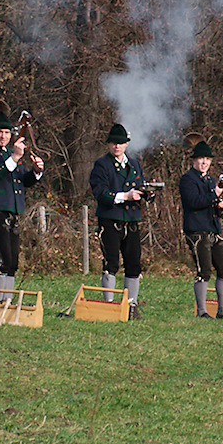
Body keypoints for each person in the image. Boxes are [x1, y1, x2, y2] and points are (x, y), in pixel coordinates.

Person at [0, 106, 44, 296]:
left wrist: (36, 172)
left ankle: (8, 302)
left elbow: (22, 181)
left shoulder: (10, 154)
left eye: (6, 132)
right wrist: (15, 156)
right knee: (2, 259)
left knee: (13, 261)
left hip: (12, 211)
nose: (3, 136)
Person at [89, 123, 151, 319]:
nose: (117, 146)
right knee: (111, 263)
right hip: (110, 219)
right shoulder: (102, 164)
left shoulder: (135, 164)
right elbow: (100, 193)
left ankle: (131, 305)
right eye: (114, 143)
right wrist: (125, 196)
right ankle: (109, 305)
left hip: (131, 219)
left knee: (134, 264)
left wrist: (147, 194)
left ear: (126, 144)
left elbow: (140, 186)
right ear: (109, 145)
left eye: (121, 143)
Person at [179, 138, 223, 319]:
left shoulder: (210, 180)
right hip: (196, 231)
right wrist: (214, 195)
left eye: (208, 159)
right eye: (201, 159)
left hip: (213, 229)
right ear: (193, 160)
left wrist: (220, 207)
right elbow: (193, 202)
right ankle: (202, 311)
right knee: (204, 270)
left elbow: (210, 203)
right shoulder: (187, 179)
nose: (204, 162)